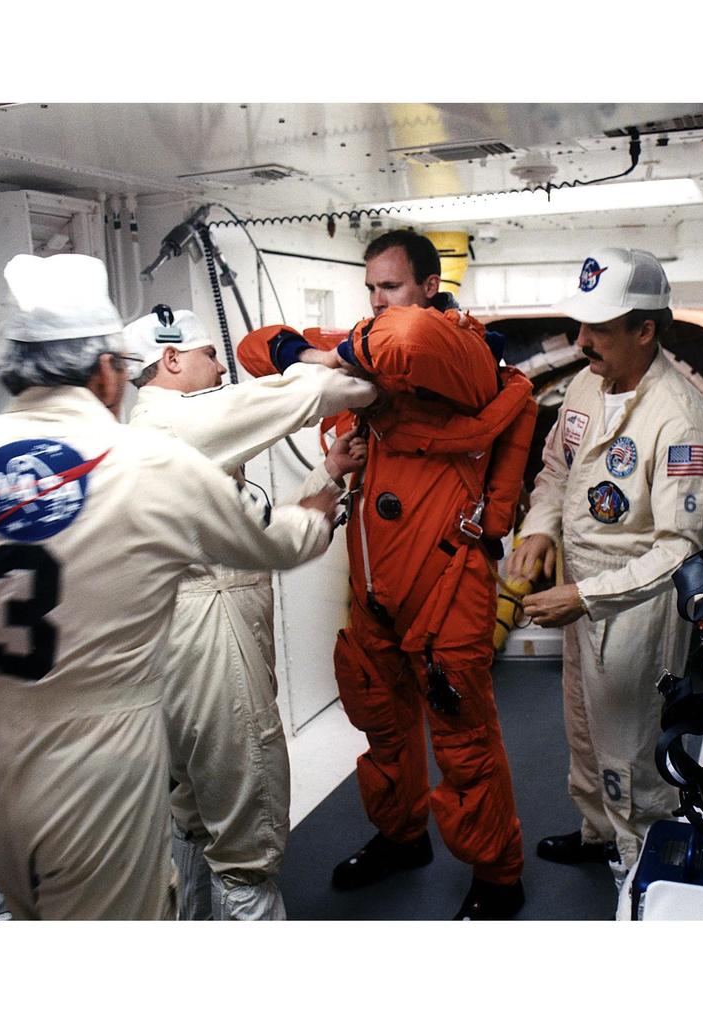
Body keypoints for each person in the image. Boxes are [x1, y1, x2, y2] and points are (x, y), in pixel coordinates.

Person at [0, 254, 338, 920]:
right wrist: (323, 498)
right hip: (99, 766)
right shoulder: (145, 460)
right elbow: (277, 538)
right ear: (107, 370)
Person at [237, 230, 536, 919]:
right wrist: (324, 354)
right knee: (382, 723)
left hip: (447, 585)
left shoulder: (458, 352)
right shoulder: (375, 354)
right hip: (374, 589)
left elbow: (407, 338)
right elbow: (257, 347)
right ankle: (400, 838)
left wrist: (333, 355)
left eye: (391, 286)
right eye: (368, 287)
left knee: (463, 741)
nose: (376, 301)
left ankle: (498, 875)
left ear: (430, 286)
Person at [124, 305, 377, 920]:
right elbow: (327, 387)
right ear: (172, 359)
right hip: (211, 633)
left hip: (176, 630)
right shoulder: (180, 422)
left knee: (194, 813)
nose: (221, 364)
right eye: (210, 352)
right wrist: (335, 354)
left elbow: (243, 529)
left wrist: (328, 472)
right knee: (247, 830)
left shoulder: (154, 434)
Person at [506, 246, 703, 886]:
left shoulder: (680, 419)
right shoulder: (583, 385)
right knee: (583, 727)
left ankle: (643, 870)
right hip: (582, 591)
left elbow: (680, 549)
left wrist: (588, 595)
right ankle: (599, 832)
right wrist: (540, 529)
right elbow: (556, 471)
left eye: (600, 328)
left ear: (645, 329)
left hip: (635, 606)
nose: (583, 341)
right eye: (582, 324)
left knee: (629, 751)